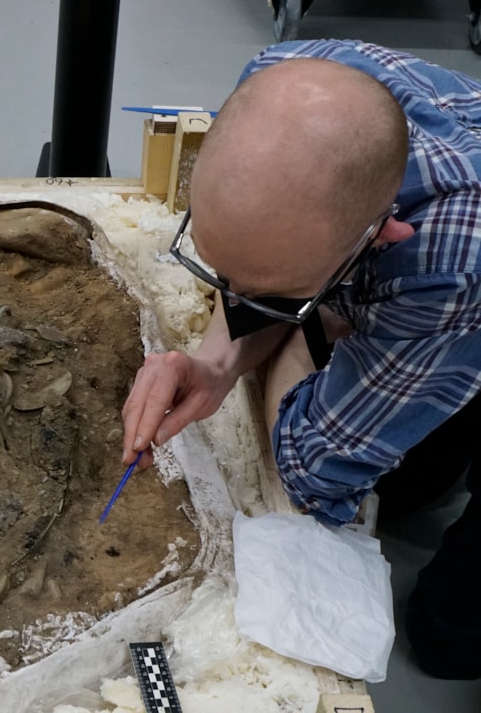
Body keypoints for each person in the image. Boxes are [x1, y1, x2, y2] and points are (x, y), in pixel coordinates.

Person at [121, 39, 481, 681]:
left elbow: (313, 471)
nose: (230, 296)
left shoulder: (448, 271)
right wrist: (215, 360)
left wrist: (295, 334)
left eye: (276, 290)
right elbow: (254, 282)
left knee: (448, 635)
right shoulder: (285, 74)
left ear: (381, 236)